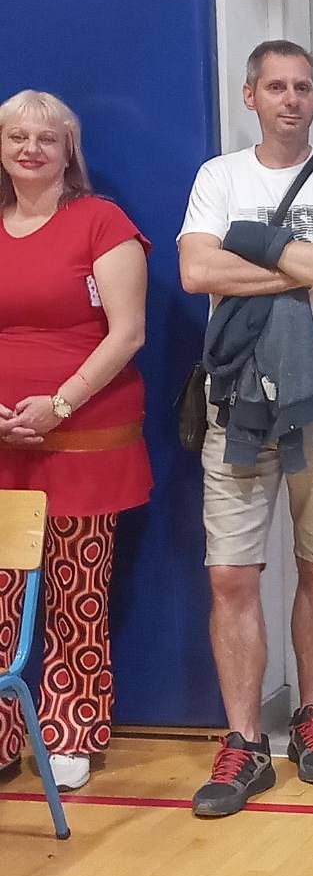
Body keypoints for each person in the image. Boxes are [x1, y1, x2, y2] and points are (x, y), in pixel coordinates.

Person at [178, 39, 313, 818]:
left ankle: (312, 714)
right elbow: (197, 272)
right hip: (238, 396)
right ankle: (243, 741)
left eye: (303, 87)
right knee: (231, 574)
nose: (291, 99)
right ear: (251, 96)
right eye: (276, 87)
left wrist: (255, 248)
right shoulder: (218, 177)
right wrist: (304, 264)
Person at [0, 90, 152, 793]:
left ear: (69, 150)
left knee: (76, 592)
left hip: (85, 439)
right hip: (4, 442)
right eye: (16, 137)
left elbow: (128, 333)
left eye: (46, 138)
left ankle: (70, 730)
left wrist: (59, 405)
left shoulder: (101, 222)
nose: (30, 149)